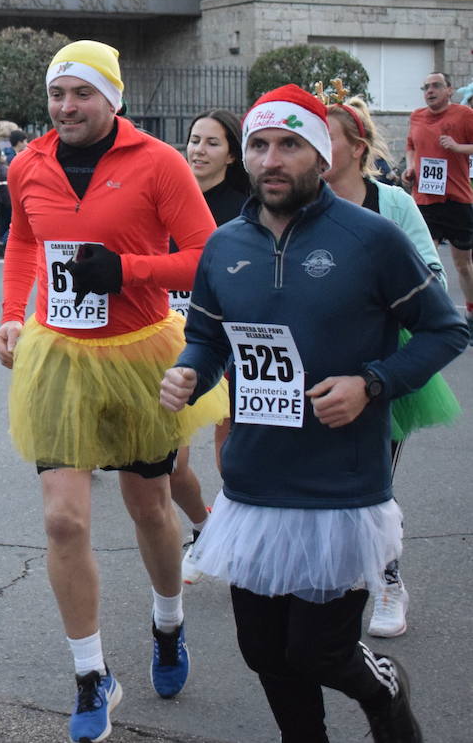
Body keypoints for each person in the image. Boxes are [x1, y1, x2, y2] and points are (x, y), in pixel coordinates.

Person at [160, 83, 467, 743]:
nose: (272, 159)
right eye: (261, 145)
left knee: (321, 651)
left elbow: (447, 330)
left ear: (322, 156)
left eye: (291, 145)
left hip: (341, 483)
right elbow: (211, 337)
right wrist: (191, 370)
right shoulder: (224, 246)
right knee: (264, 652)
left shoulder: (373, 240)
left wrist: (373, 383)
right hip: (254, 480)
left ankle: (387, 694)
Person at [0, 40, 227, 743]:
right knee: (63, 519)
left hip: (140, 353)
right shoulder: (28, 162)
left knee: (150, 506)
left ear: (111, 98)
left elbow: (205, 254)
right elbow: (23, 245)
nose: (67, 107)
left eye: (82, 94)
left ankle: (167, 625)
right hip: (60, 358)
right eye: (59, 94)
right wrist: (10, 315)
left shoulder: (157, 162)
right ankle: (92, 675)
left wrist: (124, 271)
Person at [322, 94, 460, 641]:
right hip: (315, 357)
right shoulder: (298, 202)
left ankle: (388, 581)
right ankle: (330, 579)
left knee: (372, 475)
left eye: (323, 136)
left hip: (383, 361)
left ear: (357, 148)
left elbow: (434, 281)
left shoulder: (393, 205)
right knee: (324, 476)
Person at [175, 109, 250, 586]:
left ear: (232, 154)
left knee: (231, 457)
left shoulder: (245, 205)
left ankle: (239, 537)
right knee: (169, 466)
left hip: (229, 342)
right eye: (194, 140)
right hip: (169, 339)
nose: (198, 150)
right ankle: (205, 528)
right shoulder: (168, 194)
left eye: (211, 143)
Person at [403, 71, 473, 321]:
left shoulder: (464, 115)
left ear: (449, 90)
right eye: (425, 87)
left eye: (435, 86)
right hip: (424, 199)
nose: (429, 91)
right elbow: (411, 146)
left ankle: (471, 312)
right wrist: (410, 167)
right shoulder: (417, 117)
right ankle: (435, 315)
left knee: (462, 264)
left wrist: (458, 147)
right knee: (425, 260)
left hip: (456, 198)